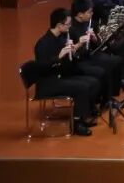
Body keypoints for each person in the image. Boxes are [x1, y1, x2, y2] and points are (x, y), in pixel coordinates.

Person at [33, 8, 100, 136]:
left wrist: (74, 49)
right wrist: (59, 56)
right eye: (68, 24)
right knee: (82, 87)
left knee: (93, 82)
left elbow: (67, 62)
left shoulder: (62, 37)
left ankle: (84, 116)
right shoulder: (43, 44)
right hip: (49, 83)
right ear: (59, 25)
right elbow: (42, 67)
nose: (70, 27)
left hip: (61, 76)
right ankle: (77, 124)